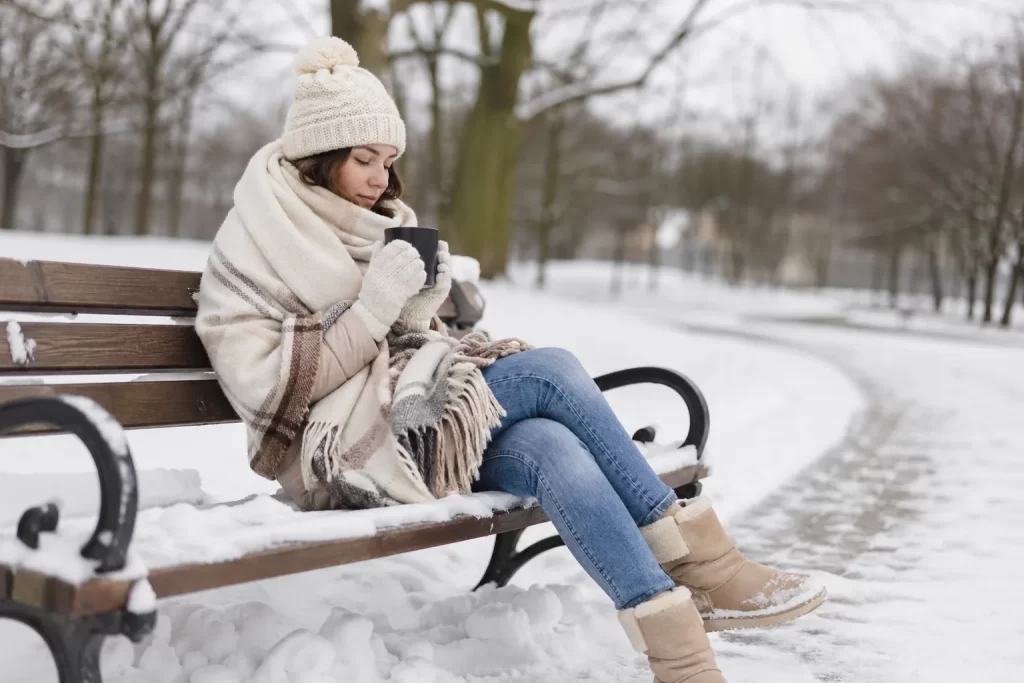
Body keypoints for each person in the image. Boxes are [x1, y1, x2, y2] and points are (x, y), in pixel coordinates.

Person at [195, 36, 826, 683]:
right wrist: (374, 309)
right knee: (549, 371)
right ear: (316, 155)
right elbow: (273, 396)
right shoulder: (254, 244)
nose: (382, 179)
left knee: (553, 447)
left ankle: (684, 660)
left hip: (409, 432)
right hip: (337, 459)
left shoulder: (377, 223)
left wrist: (418, 308)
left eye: (389, 161)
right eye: (364, 160)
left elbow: (400, 357)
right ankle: (706, 563)